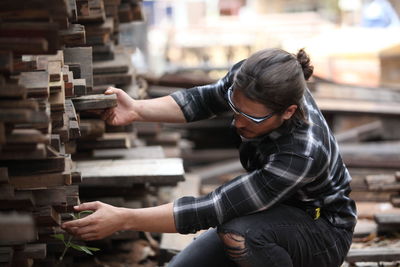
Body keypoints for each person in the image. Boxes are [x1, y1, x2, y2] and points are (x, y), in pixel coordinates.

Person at [62, 48, 357, 267]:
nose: (237, 122)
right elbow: (203, 100)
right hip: (269, 215)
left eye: (251, 118)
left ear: (288, 112)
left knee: (240, 235)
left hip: (322, 230)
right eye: (235, 109)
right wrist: (137, 110)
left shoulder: (301, 153)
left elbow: (214, 208)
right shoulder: (251, 79)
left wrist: (124, 219)